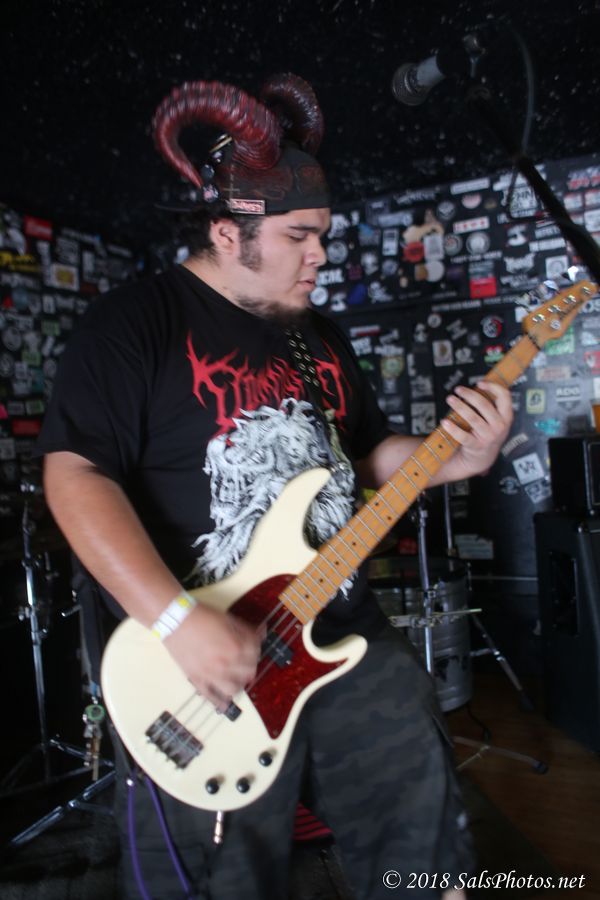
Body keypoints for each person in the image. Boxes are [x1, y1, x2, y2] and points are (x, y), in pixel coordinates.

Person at [36, 73, 513, 899]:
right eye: (300, 236)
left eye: (321, 234)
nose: (321, 255)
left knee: (424, 852)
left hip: (344, 637)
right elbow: (75, 474)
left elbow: (364, 458)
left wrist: (458, 457)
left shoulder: (316, 335)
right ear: (228, 232)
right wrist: (177, 620)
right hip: (202, 663)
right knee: (225, 877)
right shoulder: (134, 325)